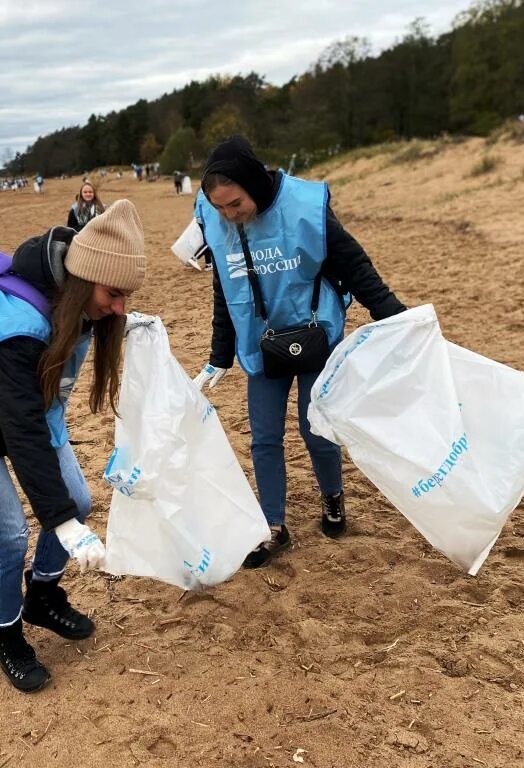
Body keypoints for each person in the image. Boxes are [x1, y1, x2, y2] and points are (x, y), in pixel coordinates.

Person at [0, 199, 146, 692]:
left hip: (29, 409)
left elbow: (33, 411)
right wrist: (60, 521)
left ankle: (41, 597)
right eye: (113, 294)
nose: (118, 308)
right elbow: (20, 430)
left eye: (126, 296)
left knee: (79, 500)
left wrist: (68, 514)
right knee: (8, 537)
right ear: (85, 279)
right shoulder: (17, 324)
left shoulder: (77, 303)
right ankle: (8, 634)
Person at [190, 136, 406, 568]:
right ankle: (273, 525)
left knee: (316, 430)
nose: (230, 216)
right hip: (259, 344)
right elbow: (225, 290)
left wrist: (395, 317)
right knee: (264, 438)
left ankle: (332, 499)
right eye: (220, 209)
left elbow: (354, 265)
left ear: (253, 184)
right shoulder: (219, 224)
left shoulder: (306, 207)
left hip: (315, 336)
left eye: (235, 204)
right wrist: (220, 354)